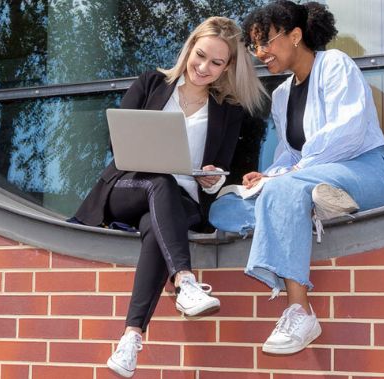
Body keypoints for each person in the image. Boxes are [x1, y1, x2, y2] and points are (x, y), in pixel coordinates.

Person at [68, 17, 266, 378]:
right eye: (201, 55)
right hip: (129, 188)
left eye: (216, 63)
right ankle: (186, 282)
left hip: (183, 203)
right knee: (160, 182)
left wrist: (211, 179)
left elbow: (219, 170)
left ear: (227, 68)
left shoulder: (229, 111)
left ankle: (131, 339)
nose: (204, 67)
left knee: (155, 231)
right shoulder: (151, 84)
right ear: (190, 48)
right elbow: (118, 143)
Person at [209, 0, 384, 356]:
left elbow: (348, 132)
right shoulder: (281, 95)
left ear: (295, 35)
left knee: (283, 190)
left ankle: (300, 310)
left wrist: (290, 176)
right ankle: (307, 207)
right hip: (314, 178)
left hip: (366, 170)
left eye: (265, 41)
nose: (260, 52)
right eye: (255, 46)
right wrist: (269, 175)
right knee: (224, 210)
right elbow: (292, 154)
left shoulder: (335, 65)